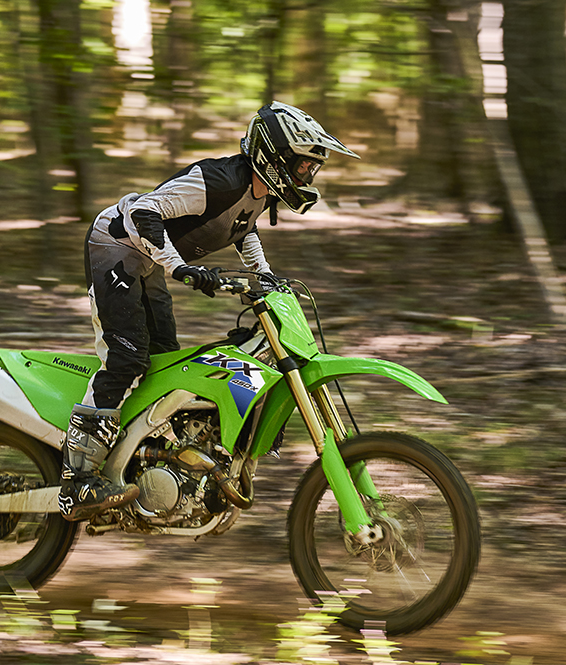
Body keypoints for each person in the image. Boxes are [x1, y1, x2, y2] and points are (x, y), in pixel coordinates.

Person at [58, 101, 359, 521]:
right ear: (274, 155)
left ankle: (141, 459)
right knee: (127, 356)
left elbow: (242, 230)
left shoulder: (258, 192)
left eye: (311, 169)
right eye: (302, 166)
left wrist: (266, 276)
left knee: (164, 361)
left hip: (147, 260)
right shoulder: (216, 180)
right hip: (117, 246)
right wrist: (180, 267)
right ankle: (77, 480)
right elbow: (144, 211)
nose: (307, 176)